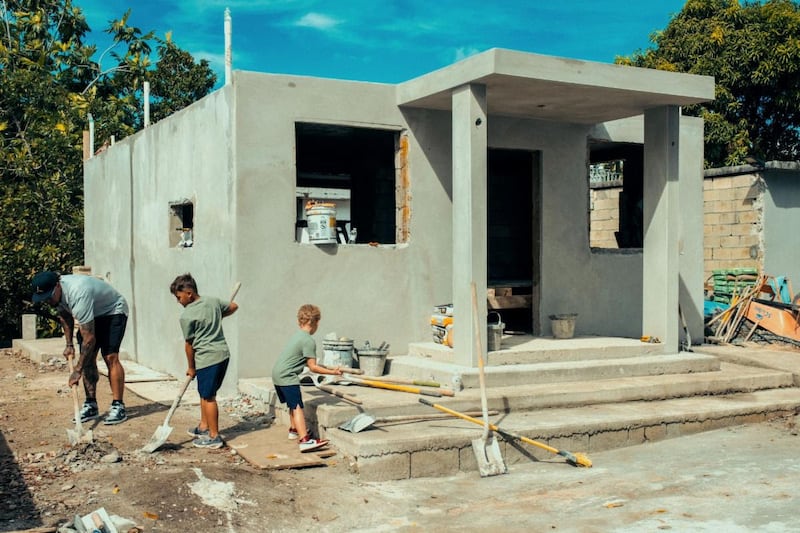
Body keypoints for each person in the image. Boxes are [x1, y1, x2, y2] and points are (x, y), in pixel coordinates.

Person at [31, 271, 129, 425]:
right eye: (44, 299)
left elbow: (89, 339)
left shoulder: (77, 292)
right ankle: (91, 404)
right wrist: (69, 345)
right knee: (88, 358)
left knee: (110, 356)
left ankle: (118, 405)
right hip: (93, 313)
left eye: (49, 296)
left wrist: (77, 370)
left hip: (112, 310)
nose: (48, 301)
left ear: (57, 286)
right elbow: (65, 316)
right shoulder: (56, 296)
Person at [170, 273, 238, 449]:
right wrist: (218, 316)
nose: (178, 302)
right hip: (222, 354)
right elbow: (233, 306)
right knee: (204, 392)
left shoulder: (187, 316)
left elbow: (189, 345)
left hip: (208, 358)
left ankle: (214, 436)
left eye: (179, 297)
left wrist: (191, 367)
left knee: (208, 397)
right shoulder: (213, 302)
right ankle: (203, 426)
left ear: (189, 293)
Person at [272, 304, 342, 452]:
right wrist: (334, 374)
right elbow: (313, 367)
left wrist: (330, 368)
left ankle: (294, 430)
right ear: (315, 322)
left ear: (300, 321)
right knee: (297, 406)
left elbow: (311, 363)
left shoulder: (298, 336)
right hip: (287, 376)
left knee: (292, 404)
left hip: (278, 374)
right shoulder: (308, 340)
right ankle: (305, 440)